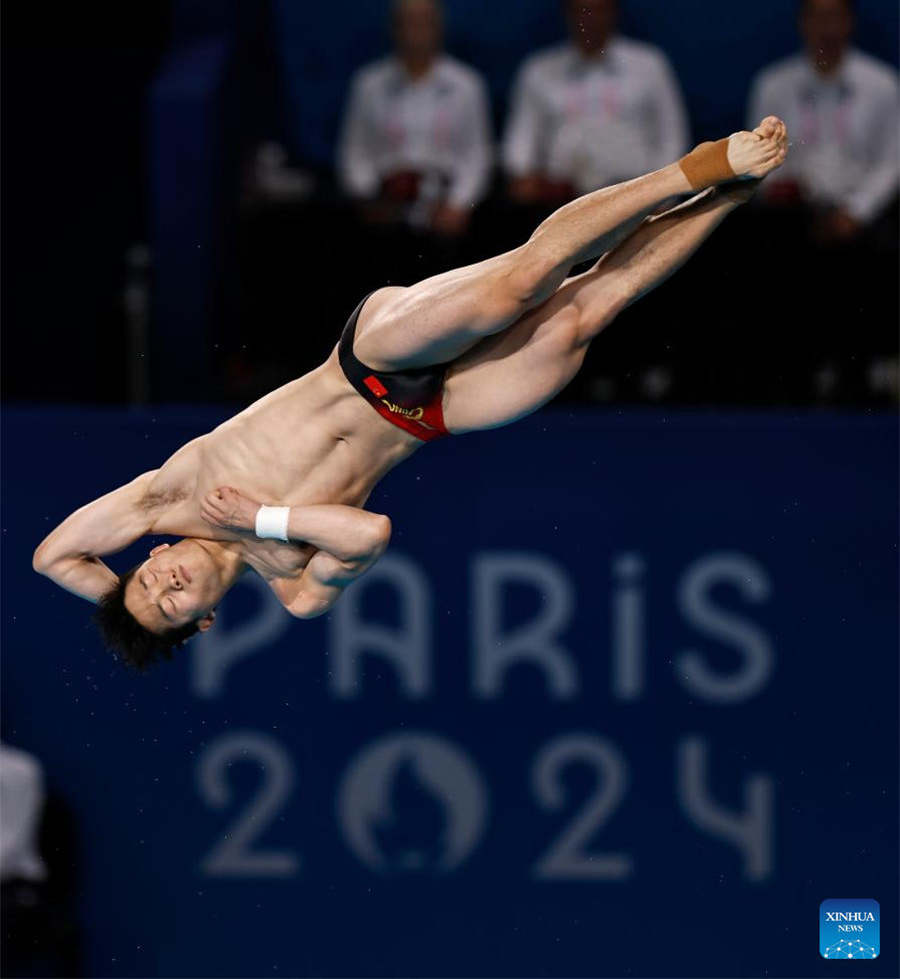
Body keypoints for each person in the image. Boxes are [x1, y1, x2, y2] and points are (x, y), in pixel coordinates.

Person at [33, 120, 787, 671]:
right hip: (429, 415)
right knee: (585, 314)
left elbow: (52, 556)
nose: (164, 583)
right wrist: (263, 520)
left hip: (367, 361)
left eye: (146, 578)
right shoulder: (293, 587)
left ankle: (695, 167)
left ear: (150, 554)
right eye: (168, 607)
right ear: (202, 623)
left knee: (523, 283)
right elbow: (372, 535)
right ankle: (734, 192)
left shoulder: (166, 499)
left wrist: (116, 599)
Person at [746, 0, 899, 401]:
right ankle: (784, 379)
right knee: (770, 246)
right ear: (802, 21)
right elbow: (755, 158)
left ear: (849, 20)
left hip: (863, 212)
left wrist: (855, 212)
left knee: (875, 253)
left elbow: (892, 162)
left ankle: (866, 373)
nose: (825, 27)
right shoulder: (774, 85)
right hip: (795, 213)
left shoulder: (882, 85)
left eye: (834, 15)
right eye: (816, 15)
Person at [338, 0, 493, 284]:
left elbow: (476, 156)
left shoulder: (465, 85)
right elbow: (355, 153)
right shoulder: (369, 85)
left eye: (425, 22)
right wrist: (371, 193)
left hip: (443, 205)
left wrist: (459, 204)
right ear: (394, 28)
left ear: (439, 26)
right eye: (408, 22)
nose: (416, 31)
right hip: (387, 205)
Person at [502, 0, 689, 207]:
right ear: (567, 12)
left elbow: (672, 135)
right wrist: (521, 173)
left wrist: (664, 192)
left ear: (614, 11)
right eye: (581, 9)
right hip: (559, 203)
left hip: (635, 198)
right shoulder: (539, 70)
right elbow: (521, 136)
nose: (589, 19)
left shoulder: (649, 65)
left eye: (598, 9)